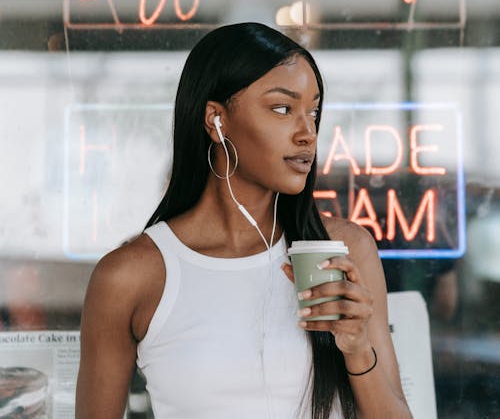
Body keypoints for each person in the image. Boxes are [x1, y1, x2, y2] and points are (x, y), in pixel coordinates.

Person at [76, 22, 411, 419]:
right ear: (216, 120)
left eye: (314, 111)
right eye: (283, 109)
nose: (308, 134)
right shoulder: (132, 276)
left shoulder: (343, 251)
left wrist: (356, 347)